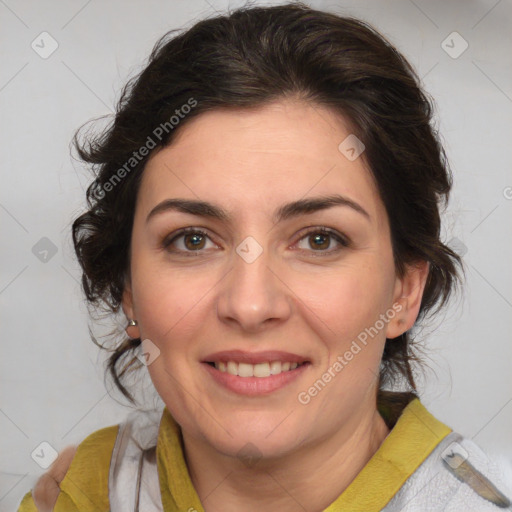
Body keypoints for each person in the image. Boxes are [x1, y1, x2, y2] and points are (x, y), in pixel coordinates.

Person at [17, 3, 511, 511]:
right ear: (127, 287)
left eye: (320, 239)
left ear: (404, 289)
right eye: (192, 239)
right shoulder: (79, 495)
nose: (250, 306)